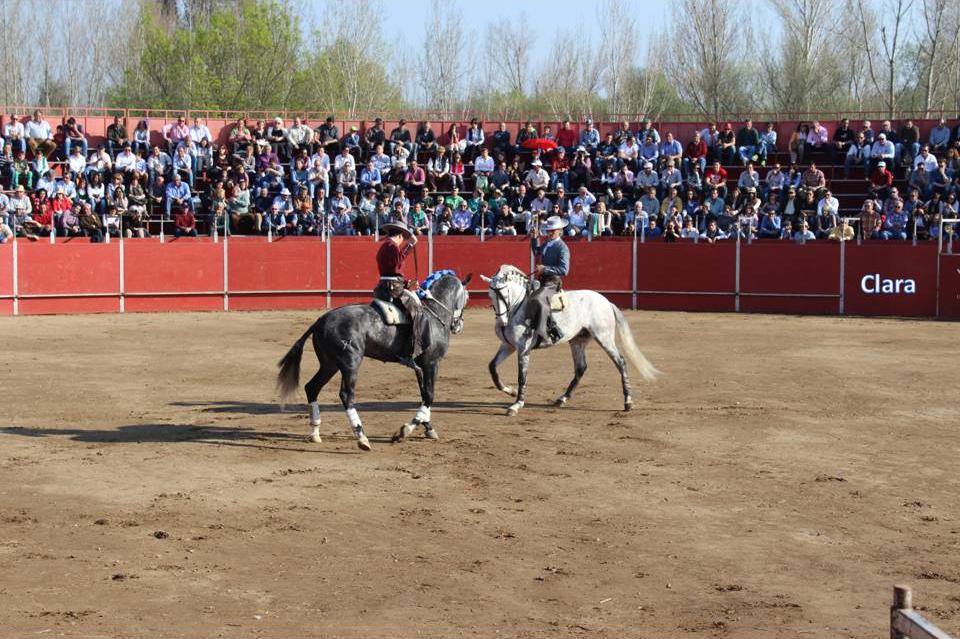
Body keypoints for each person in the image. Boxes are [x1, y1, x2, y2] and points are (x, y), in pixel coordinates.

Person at [375, 220, 423, 360]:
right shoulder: (391, 246)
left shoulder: (385, 246)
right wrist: (410, 245)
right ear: (401, 236)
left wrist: (408, 284)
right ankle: (413, 348)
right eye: (403, 239)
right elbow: (397, 265)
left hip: (387, 285)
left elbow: (391, 272)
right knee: (417, 311)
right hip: (393, 288)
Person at [527, 215, 570, 346]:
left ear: (560, 230)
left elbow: (564, 270)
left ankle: (547, 332)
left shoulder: (562, 247)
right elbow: (536, 251)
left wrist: (545, 269)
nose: (550, 233)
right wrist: (534, 238)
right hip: (542, 279)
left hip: (553, 282)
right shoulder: (547, 242)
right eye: (548, 230)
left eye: (553, 230)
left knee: (537, 299)